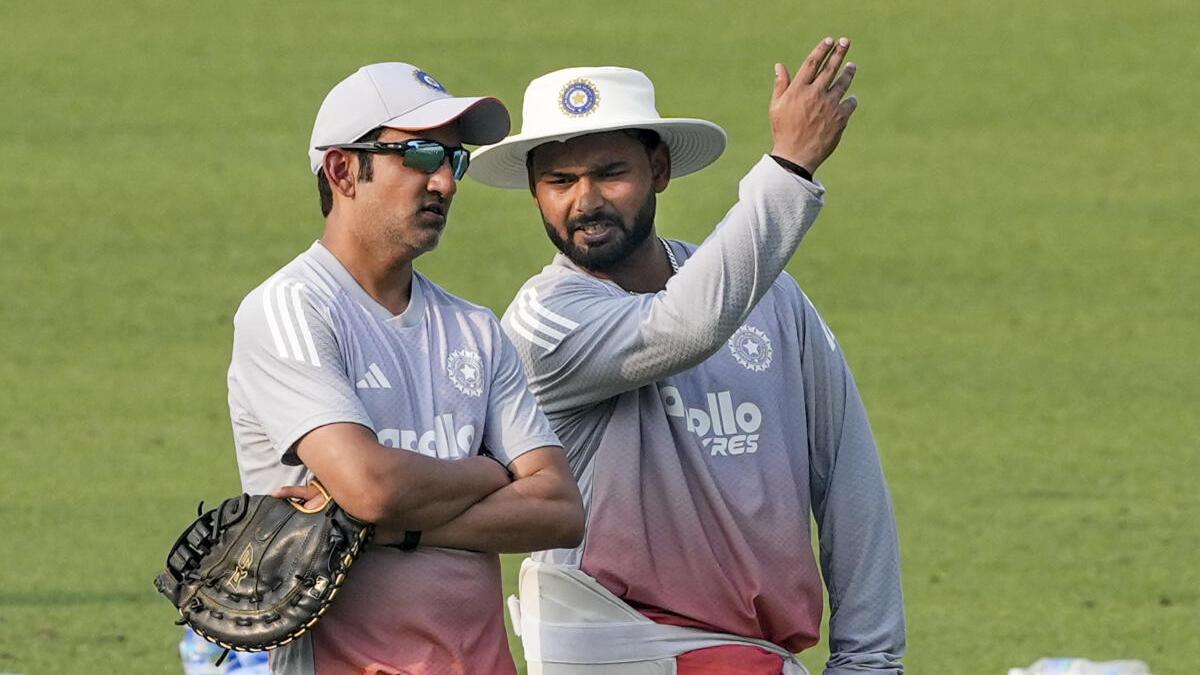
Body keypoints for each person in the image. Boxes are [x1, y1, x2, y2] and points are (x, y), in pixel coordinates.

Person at [469, 38, 904, 674]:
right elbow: (683, 327)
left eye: (610, 173)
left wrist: (871, 660)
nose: (584, 201)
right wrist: (789, 168)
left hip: (760, 658)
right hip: (612, 653)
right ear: (535, 192)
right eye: (559, 181)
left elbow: (846, 472)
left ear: (659, 170)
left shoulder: (769, 294)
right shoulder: (545, 320)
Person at [226, 62, 584, 675]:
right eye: (419, 156)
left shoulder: (475, 328)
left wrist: (392, 530)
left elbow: (559, 510)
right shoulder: (290, 308)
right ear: (343, 170)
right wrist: (490, 472)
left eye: (454, 159)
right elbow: (371, 485)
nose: (445, 182)